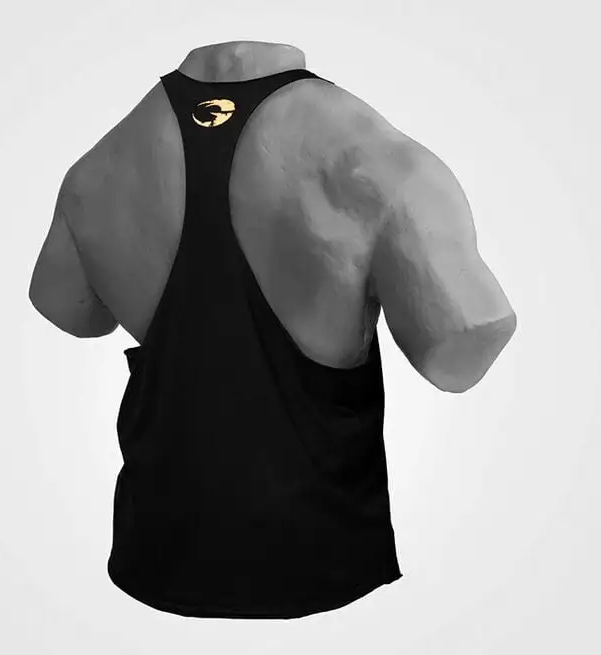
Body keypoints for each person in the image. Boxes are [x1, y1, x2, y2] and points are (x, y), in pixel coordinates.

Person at [28, 40, 517, 619]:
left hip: (153, 562)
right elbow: (459, 350)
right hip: (326, 576)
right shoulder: (381, 165)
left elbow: (71, 311)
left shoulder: (94, 172)